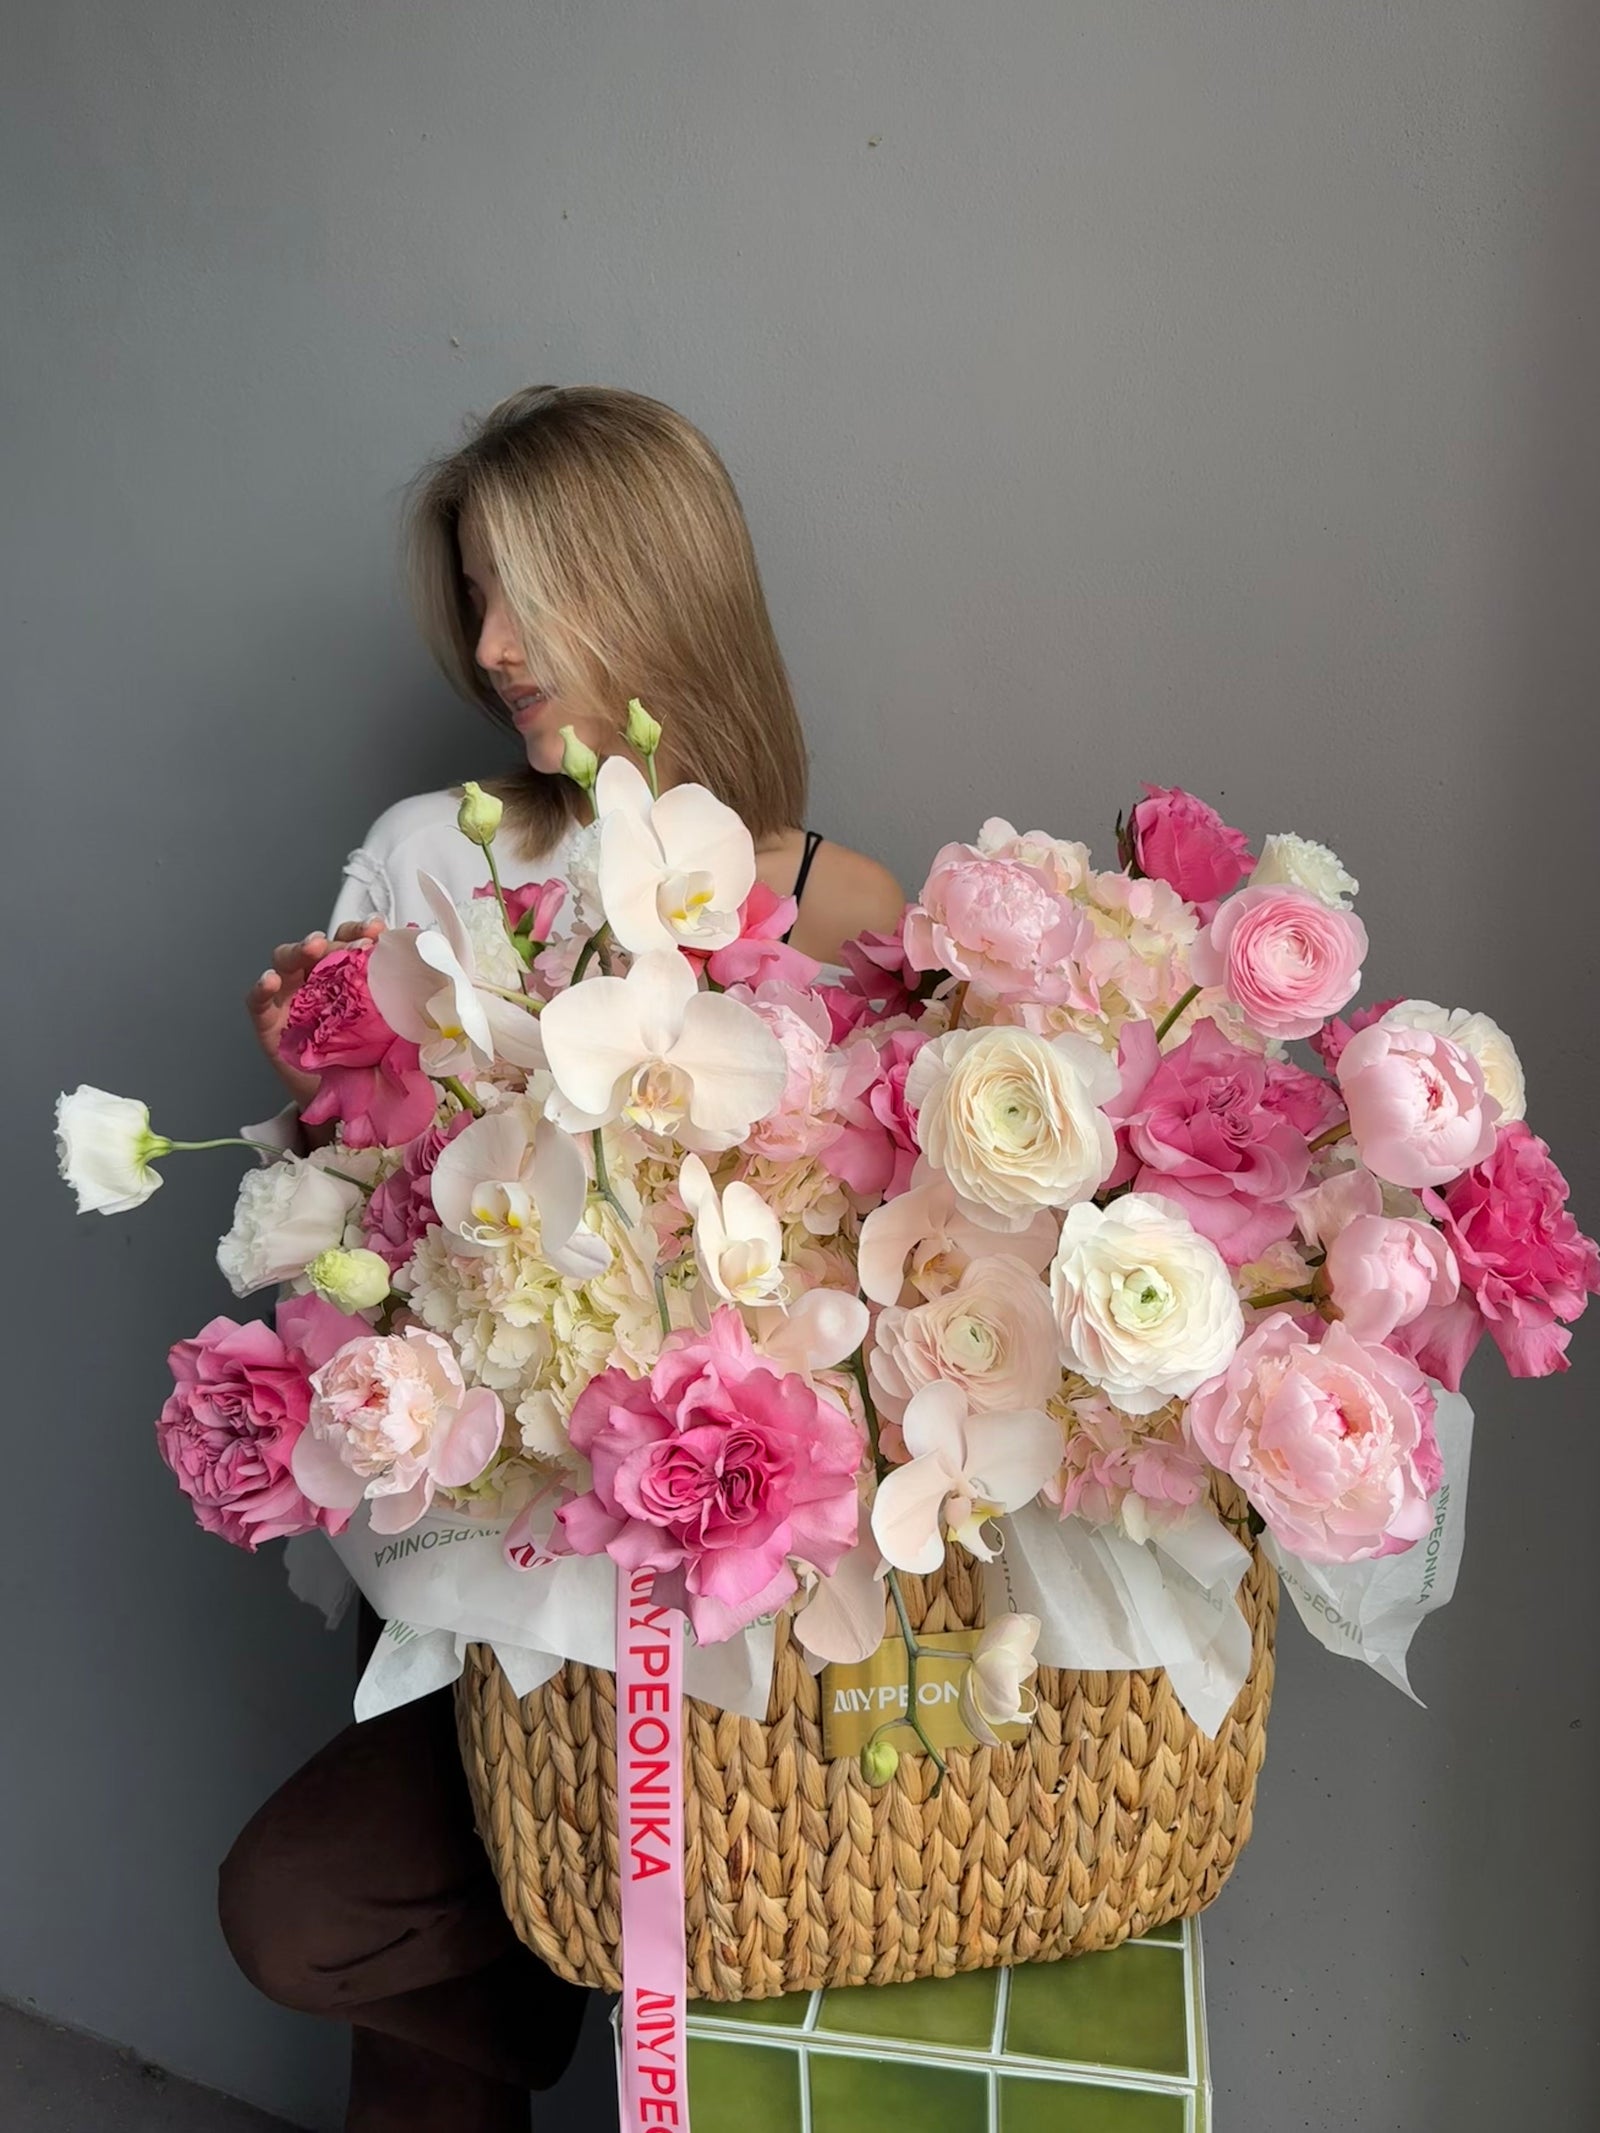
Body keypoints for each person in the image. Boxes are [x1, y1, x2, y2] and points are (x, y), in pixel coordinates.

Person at [219, 385, 905, 2133]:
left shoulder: (836, 902)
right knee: (332, 1922)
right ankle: (541, 1971)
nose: (492, 646)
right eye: (474, 596)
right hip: (488, 1561)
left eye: (530, 592)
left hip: (752, 1618)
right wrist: (329, 1104)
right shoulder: (428, 857)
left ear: (660, 585)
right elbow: (351, 1239)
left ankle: (564, 1969)